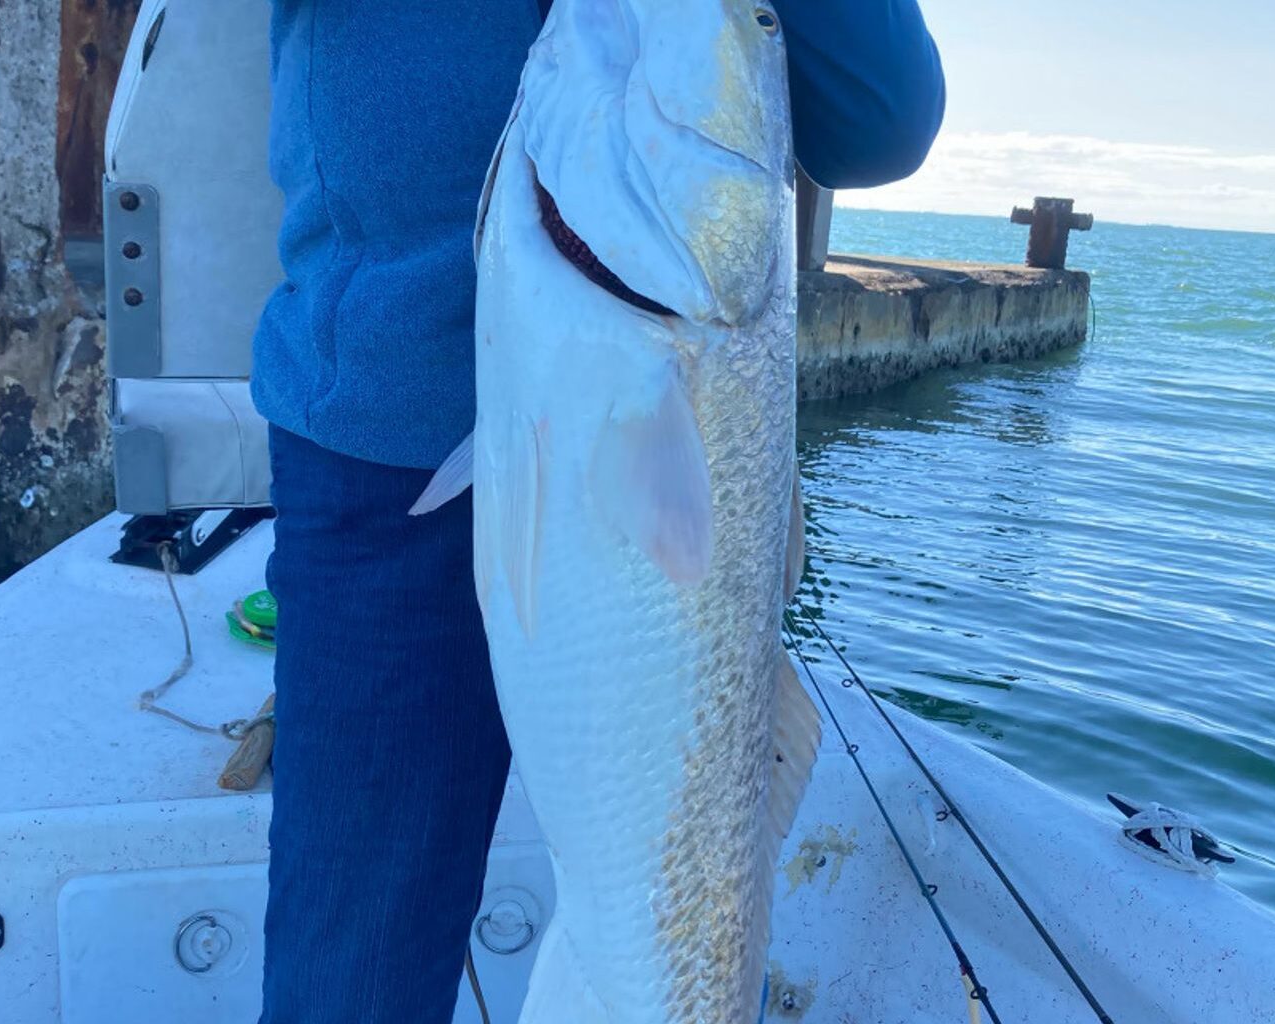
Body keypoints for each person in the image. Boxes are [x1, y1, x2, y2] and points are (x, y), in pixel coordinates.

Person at [252, 4, 944, 1022]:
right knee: (354, 974)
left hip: (669, 434)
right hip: (381, 452)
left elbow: (884, 115)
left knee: (675, 953)